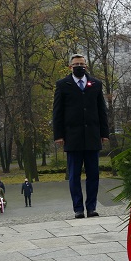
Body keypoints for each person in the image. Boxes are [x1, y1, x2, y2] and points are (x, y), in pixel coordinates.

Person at [53, 54, 109, 219]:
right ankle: (78, 209)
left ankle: (91, 207)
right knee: (74, 176)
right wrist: (58, 135)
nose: (79, 67)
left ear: (86, 66)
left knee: (93, 175)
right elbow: (57, 112)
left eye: (82, 64)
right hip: (72, 137)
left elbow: (102, 110)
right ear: (70, 67)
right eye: (76, 64)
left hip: (92, 136)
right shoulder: (62, 85)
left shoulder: (96, 84)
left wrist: (104, 133)